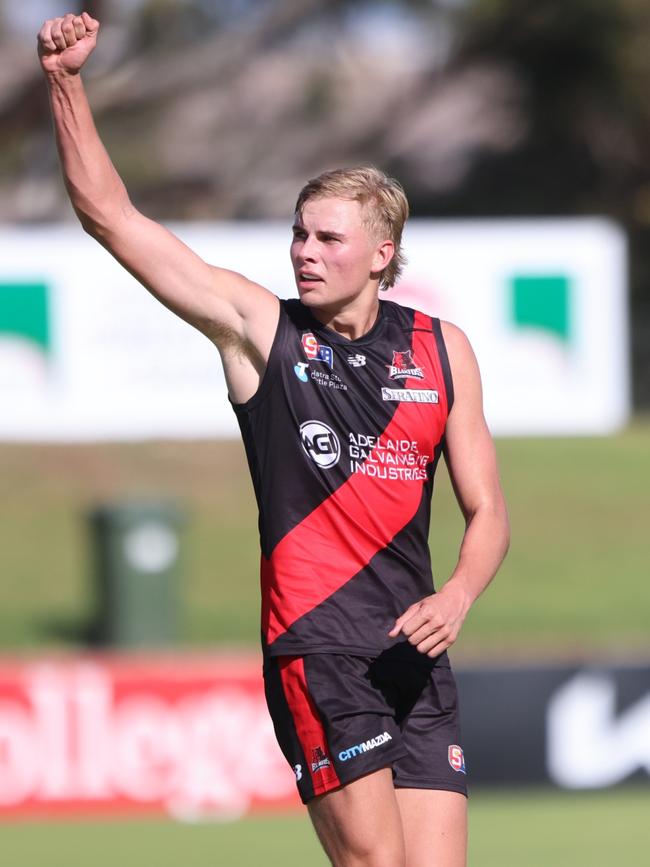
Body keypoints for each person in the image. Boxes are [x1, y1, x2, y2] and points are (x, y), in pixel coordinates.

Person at [38, 12, 510, 867]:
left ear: (381, 253)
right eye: (299, 232)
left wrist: (460, 596)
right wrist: (66, 85)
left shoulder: (443, 350)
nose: (304, 251)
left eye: (328, 237)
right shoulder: (262, 332)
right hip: (320, 651)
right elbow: (110, 216)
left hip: (416, 653)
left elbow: (488, 512)